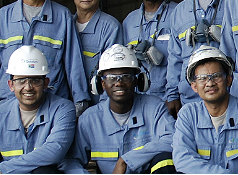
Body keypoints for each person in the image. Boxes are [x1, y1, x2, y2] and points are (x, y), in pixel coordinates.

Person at [59, 44, 176, 174]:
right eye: (111, 78)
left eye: (126, 76)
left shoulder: (154, 108)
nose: (119, 83)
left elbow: (172, 139)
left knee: (165, 158)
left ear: (138, 81)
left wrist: (126, 160)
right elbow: (71, 160)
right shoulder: (90, 120)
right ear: (101, 84)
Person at [0, 46, 76, 174]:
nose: (28, 87)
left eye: (35, 80)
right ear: (11, 85)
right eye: (21, 80)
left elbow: (54, 150)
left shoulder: (62, 110)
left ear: (46, 83)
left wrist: (4, 169)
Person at [172, 46, 238, 173]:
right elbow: (182, 160)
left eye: (216, 76)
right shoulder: (188, 115)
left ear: (228, 80)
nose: (210, 83)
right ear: (194, 86)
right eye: (202, 78)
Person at [166, 0, 229, 118]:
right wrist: (172, 94)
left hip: (227, 95)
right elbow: (174, 57)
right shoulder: (179, 12)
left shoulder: (233, 1)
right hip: (190, 98)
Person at [123, 0, 178, 101]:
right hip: (137, 101)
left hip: (168, 100)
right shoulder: (129, 21)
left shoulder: (178, 14)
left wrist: (173, 96)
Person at [68, 0, 123, 103]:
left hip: (97, 105)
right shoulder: (66, 25)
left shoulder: (110, 28)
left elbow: (113, 74)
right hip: (66, 105)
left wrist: (102, 112)